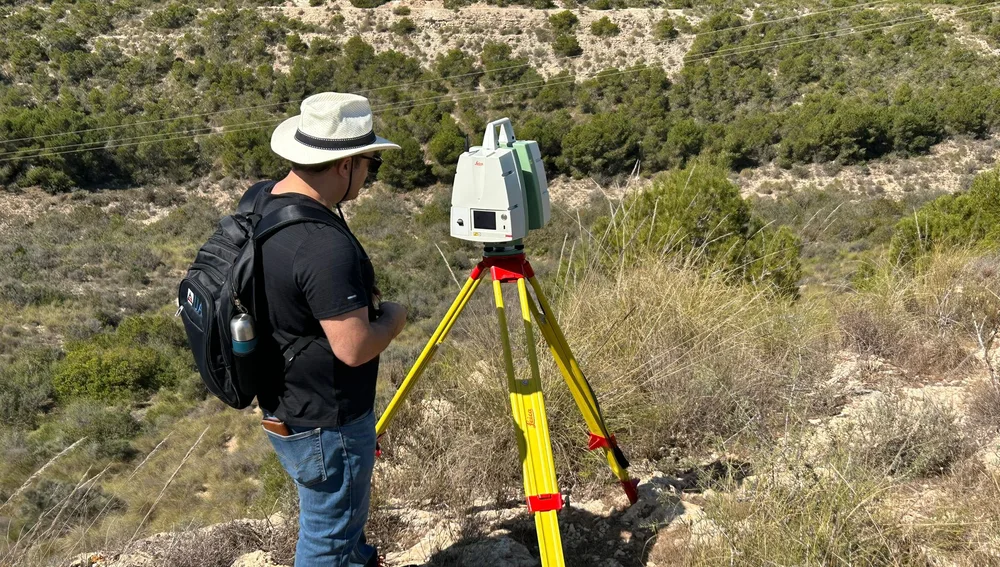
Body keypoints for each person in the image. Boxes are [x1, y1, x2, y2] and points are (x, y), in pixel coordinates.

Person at [255, 92, 408, 567]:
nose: (368, 174)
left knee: (339, 529)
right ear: (344, 166)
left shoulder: (264, 202)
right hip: (329, 422)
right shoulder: (322, 245)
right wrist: (394, 318)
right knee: (327, 541)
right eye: (368, 164)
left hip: (287, 402)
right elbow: (355, 348)